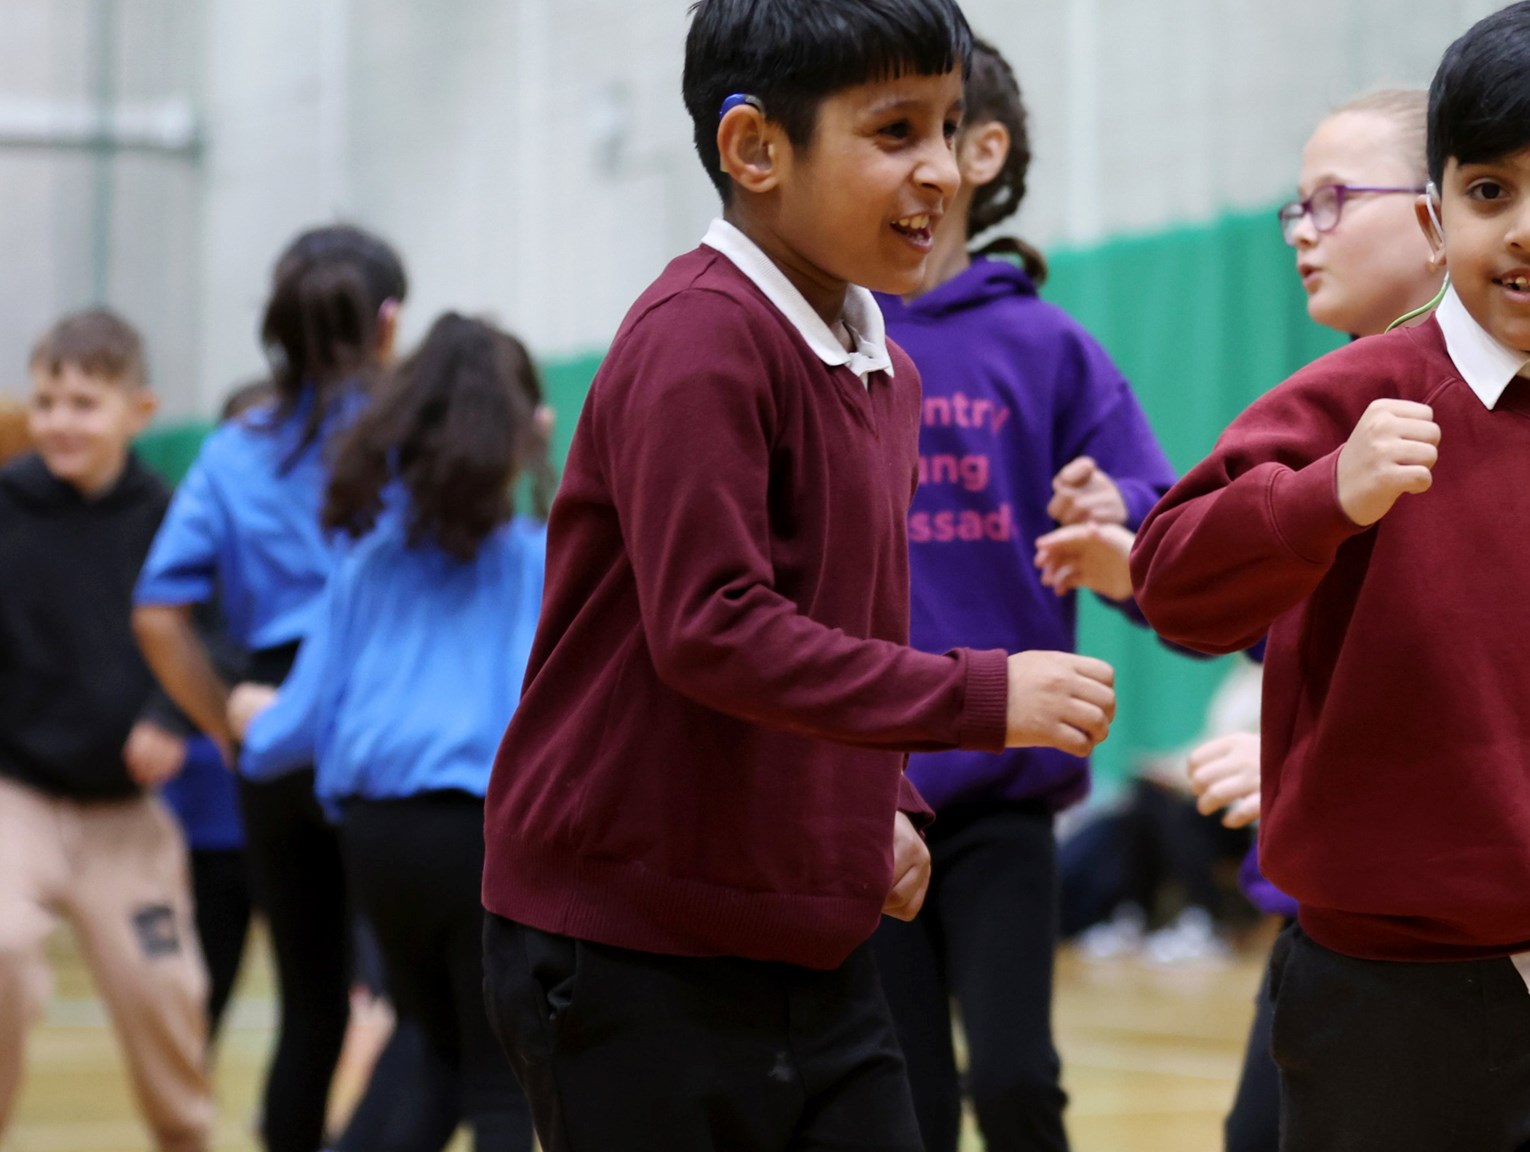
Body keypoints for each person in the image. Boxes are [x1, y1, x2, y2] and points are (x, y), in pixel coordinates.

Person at [1130, 3, 1530, 1147]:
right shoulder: (1351, 397)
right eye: (1490, 193)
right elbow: (1172, 588)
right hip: (1374, 996)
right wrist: (1323, 496)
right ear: (1437, 222)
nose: (1528, 231)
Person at [478, 4, 1117, 1149]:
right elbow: (714, 629)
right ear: (755, 150)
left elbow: (844, 628)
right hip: (623, 946)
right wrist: (979, 697)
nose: (937, 168)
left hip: (799, 937)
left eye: (950, 124)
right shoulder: (698, 337)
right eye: (892, 131)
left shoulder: (883, 365)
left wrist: (885, 797)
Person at [870, 37, 1177, 1152]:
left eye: (920, 127)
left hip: (1000, 793)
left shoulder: (1046, 346)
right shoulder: (821, 339)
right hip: (857, 792)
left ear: (981, 149)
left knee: (1011, 1080)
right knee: (898, 1103)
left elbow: (1163, 537)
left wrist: (1121, 511)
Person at [1174, 88, 1445, 1152]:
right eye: (1295, 208)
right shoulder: (1320, 404)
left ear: (1435, 217)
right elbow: (1295, 624)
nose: (1305, 232)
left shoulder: (1482, 415)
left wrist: (1300, 767)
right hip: (1323, 906)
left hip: (1444, 936)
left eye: (1333, 201)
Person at [231, 314, 548, 1152]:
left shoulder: (365, 562)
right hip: (484, 835)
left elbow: (288, 732)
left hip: (378, 842)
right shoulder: (536, 562)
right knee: (502, 1073)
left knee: (434, 1050)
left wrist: (247, 721)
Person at [134, 224, 412, 1152]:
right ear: (387, 323)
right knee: (431, 1013)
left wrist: (227, 728)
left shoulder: (233, 448)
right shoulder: (411, 433)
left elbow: (159, 613)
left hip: (272, 725)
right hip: (390, 724)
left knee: (310, 1010)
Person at [0, 309, 210, 1151]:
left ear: (140, 410)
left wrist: (169, 716)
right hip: (16, 797)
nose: (59, 421)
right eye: (47, 400)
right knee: (2, 949)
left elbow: (215, 626)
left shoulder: (171, 514)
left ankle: (185, 1135)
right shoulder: (7, 504)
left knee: (161, 992)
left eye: (84, 403)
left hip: (125, 815)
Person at [156, 380, 277, 1050]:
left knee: (332, 994)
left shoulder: (330, 539)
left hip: (303, 803)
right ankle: (187, 1107)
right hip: (208, 812)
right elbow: (154, 631)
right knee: (202, 988)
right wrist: (178, 719)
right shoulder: (191, 541)